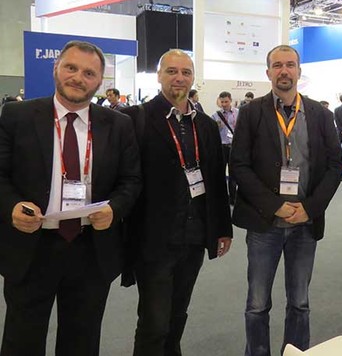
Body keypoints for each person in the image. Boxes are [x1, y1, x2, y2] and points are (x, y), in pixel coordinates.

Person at [0, 40, 142, 355]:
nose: (78, 78)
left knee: (82, 342)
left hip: (90, 249)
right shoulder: (17, 115)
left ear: (100, 81)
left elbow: (131, 180)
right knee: (21, 341)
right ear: (56, 69)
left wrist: (114, 209)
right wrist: (11, 207)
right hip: (32, 247)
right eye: (71, 68)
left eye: (89, 73)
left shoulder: (118, 125)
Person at [230, 45, 342, 356]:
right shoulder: (251, 113)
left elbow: (335, 165)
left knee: (300, 303)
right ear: (268, 72)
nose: (284, 71)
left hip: (305, 225)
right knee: (257, 304)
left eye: (290, 64)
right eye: (277, 65)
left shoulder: (321, 115)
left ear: (299, 71)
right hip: (264, 223)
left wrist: (310, 208)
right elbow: (239, 165)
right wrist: (274, 205)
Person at [122, 49, 233, 356]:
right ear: (159, 76)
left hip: (194, 236)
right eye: (171, 71)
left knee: (177, 314)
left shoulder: (206, 125)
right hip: (154, 239)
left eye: (186, 72)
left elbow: (215, 180)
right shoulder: (137, 119)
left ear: (193, 78)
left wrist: (222, 228)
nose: (179, 78)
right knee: (154, 321)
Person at [211, 91, 239, 205]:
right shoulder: (215, 115)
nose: (224, 104)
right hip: (222, 147)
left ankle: (233, 198)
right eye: (222, 102)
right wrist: (216, 127)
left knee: (233, 174)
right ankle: (221, 197)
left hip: (234, 146)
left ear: (230, 100)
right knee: (220, 173)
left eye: (226, 102)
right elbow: (211, 133)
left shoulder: (238, 113)